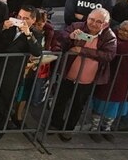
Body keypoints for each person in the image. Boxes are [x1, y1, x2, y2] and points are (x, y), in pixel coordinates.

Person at [50, 8, 118, 141]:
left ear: (105, 24)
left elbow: (109, 55)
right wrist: (70, 37)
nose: (93, 23)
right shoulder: (77, 26)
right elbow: (60, 36)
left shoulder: (109, 36)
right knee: (60, 100)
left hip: (88, 79)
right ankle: (54, 124)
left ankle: (68, 129)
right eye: (91, 19)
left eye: (99, 21)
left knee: (78, 105)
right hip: (68, 74)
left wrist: (82, 50)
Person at [0, 6, 42, 144]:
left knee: (5, 102)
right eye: (20, 17)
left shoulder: (35, 34)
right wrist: (2, 26)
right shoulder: (8, 26)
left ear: (33, 20)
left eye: (25, 18)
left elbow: (37, 51)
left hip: (12, 73)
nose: (21, 20)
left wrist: (28, 34)